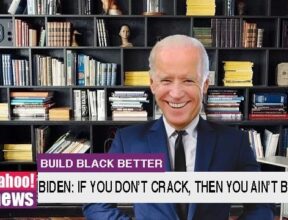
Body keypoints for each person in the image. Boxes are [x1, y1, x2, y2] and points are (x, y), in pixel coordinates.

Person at [83, 35, 274, 220]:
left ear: (205, 84)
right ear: (152, 84)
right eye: (166, 80)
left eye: (188, 80)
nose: (175, 94)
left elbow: (261, 206)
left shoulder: (234, 142)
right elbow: (96, 204)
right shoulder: (128, 141)